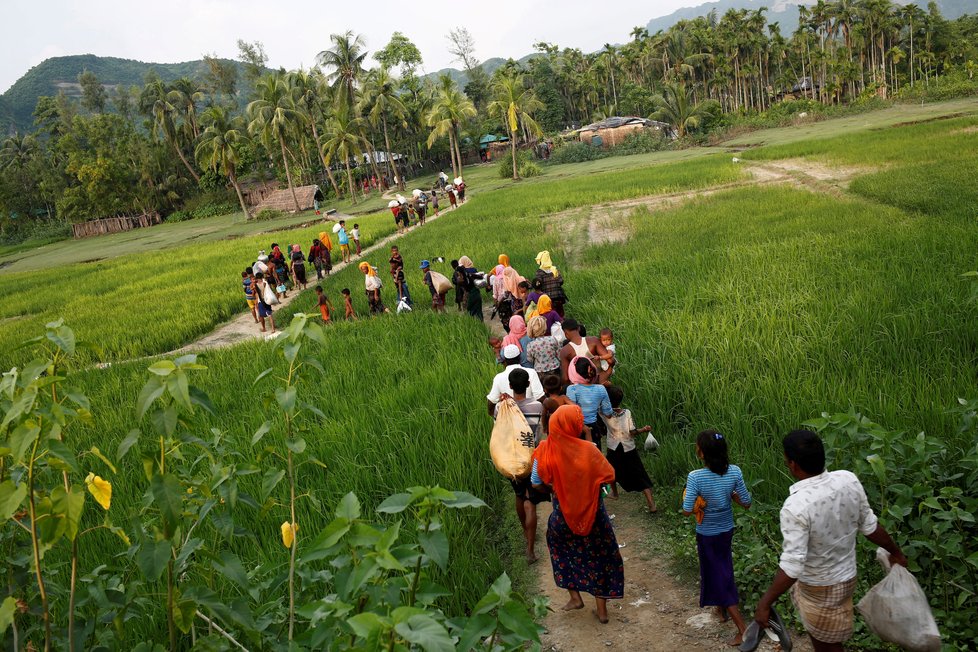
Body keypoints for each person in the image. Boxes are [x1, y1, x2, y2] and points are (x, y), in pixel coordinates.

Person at [751, 430, 907, 652]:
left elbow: (793, 565)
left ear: (793, 465)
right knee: (829, 638)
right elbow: (870, 526)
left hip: (819, 587)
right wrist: (896, 552)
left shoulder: (795, 507)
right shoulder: (848, 480)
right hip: (847, 578)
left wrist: (765, 603)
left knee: (825, 644)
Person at [531, 404, 624, 624]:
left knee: (563, 552)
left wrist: (553, 489)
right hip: (594, 514)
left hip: (562, 514)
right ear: (574, 425)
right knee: (600, 555)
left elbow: (536, 483)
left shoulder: (545, 449)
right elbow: (609, 476)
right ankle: (602, 610)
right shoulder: (589, 450)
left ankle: (575, 597)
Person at [681, 430, 751, 646]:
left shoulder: (696, 477)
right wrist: (729, 494)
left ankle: (743, 629)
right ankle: (720, 611)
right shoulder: (734, 472)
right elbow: (746, 502)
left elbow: (686, 509)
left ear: (702, 453)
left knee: (719, 575)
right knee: (720, 568)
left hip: (707, 534)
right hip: (726, 530)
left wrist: (697, 501)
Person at [493, 367, 547, 563]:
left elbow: (500, 429)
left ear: (509, 386)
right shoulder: (538, 407)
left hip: (511, 459)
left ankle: (526, 534)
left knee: (518, 495)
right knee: (530, 501)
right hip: (532, 459)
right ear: (528, 385)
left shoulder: (501, 408)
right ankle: (530, 549)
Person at [602, 386, 656, 512]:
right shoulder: (627, 413)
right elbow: (632, 432)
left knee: (611, 471)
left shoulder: (603, 413)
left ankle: (614, 493)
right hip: (629, 447)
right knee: (640, 473)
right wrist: (643, 429)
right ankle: (651, 503)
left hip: (614, 447)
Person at [566, 357, 612, 450]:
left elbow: (571, 413)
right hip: (594, 429)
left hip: (577, 429)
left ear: (574, 372)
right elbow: (608, 414)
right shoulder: (601, 389)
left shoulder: (572, 389)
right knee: (594, 458)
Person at [487, 344, 545, 415]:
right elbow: (540, 397)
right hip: (531, 416)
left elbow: (492, 401)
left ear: (505, 359)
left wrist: (495, 416)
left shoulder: (498, 377)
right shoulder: (531, 372)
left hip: (510, 418)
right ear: (520, 357)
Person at [559, 319, 614, 386]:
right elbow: (610, 361)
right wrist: (604, 376)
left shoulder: (565, 351)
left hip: (582, 387)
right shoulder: (593, 340)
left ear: (565, 333)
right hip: (600, 382)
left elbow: (565, 378)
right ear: (579, 328)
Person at [534, 251, 567, 317]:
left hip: (548, 298)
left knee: (551, 316)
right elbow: (561, 281)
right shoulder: (554, 269)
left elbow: (538, 284)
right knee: (560, 315)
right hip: (559, 297)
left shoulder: (539, 272)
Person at [458, 256, 483, 320]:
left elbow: (461, 282)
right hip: (477, 292)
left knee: (469, 311)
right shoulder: (474, 270)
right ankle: (481, 325)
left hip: (470, 293)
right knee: (478, 310)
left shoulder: (464, 272)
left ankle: (472, 325)